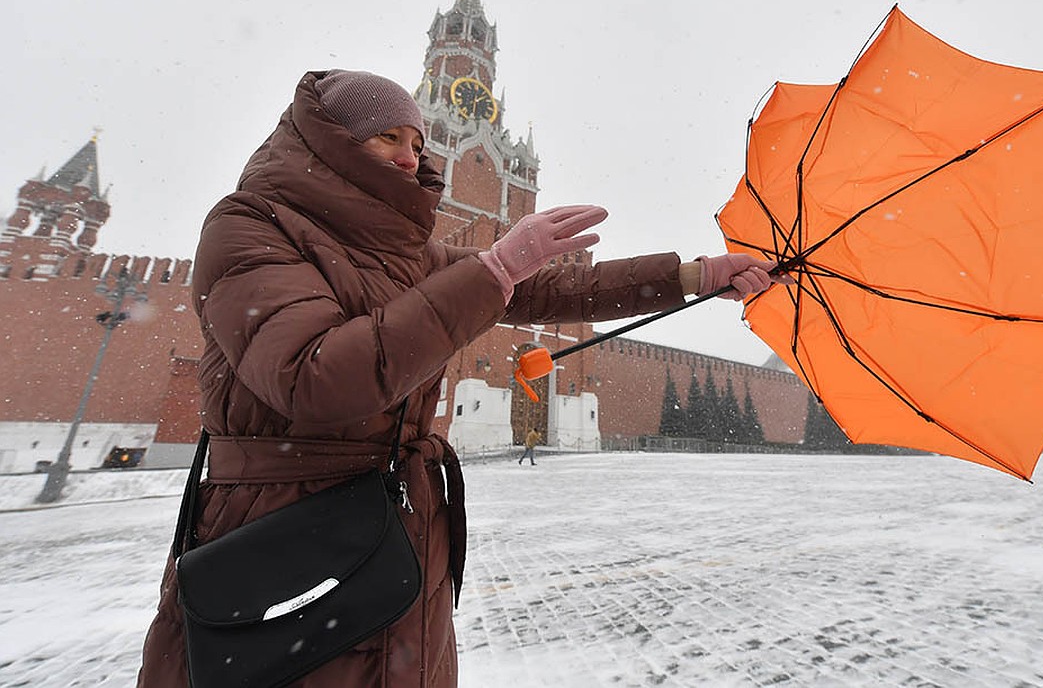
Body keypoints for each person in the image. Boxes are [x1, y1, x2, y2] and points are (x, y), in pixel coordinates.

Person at [136, 70, 780, 688]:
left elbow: (554, 288)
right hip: (282, 523)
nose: (409, 155)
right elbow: (318, 381)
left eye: (417, 142)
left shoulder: (404, 250)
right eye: (387, 135)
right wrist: (494, 268)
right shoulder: (252, 225)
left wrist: (697, 276)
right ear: (330, 137)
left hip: (394, 520)